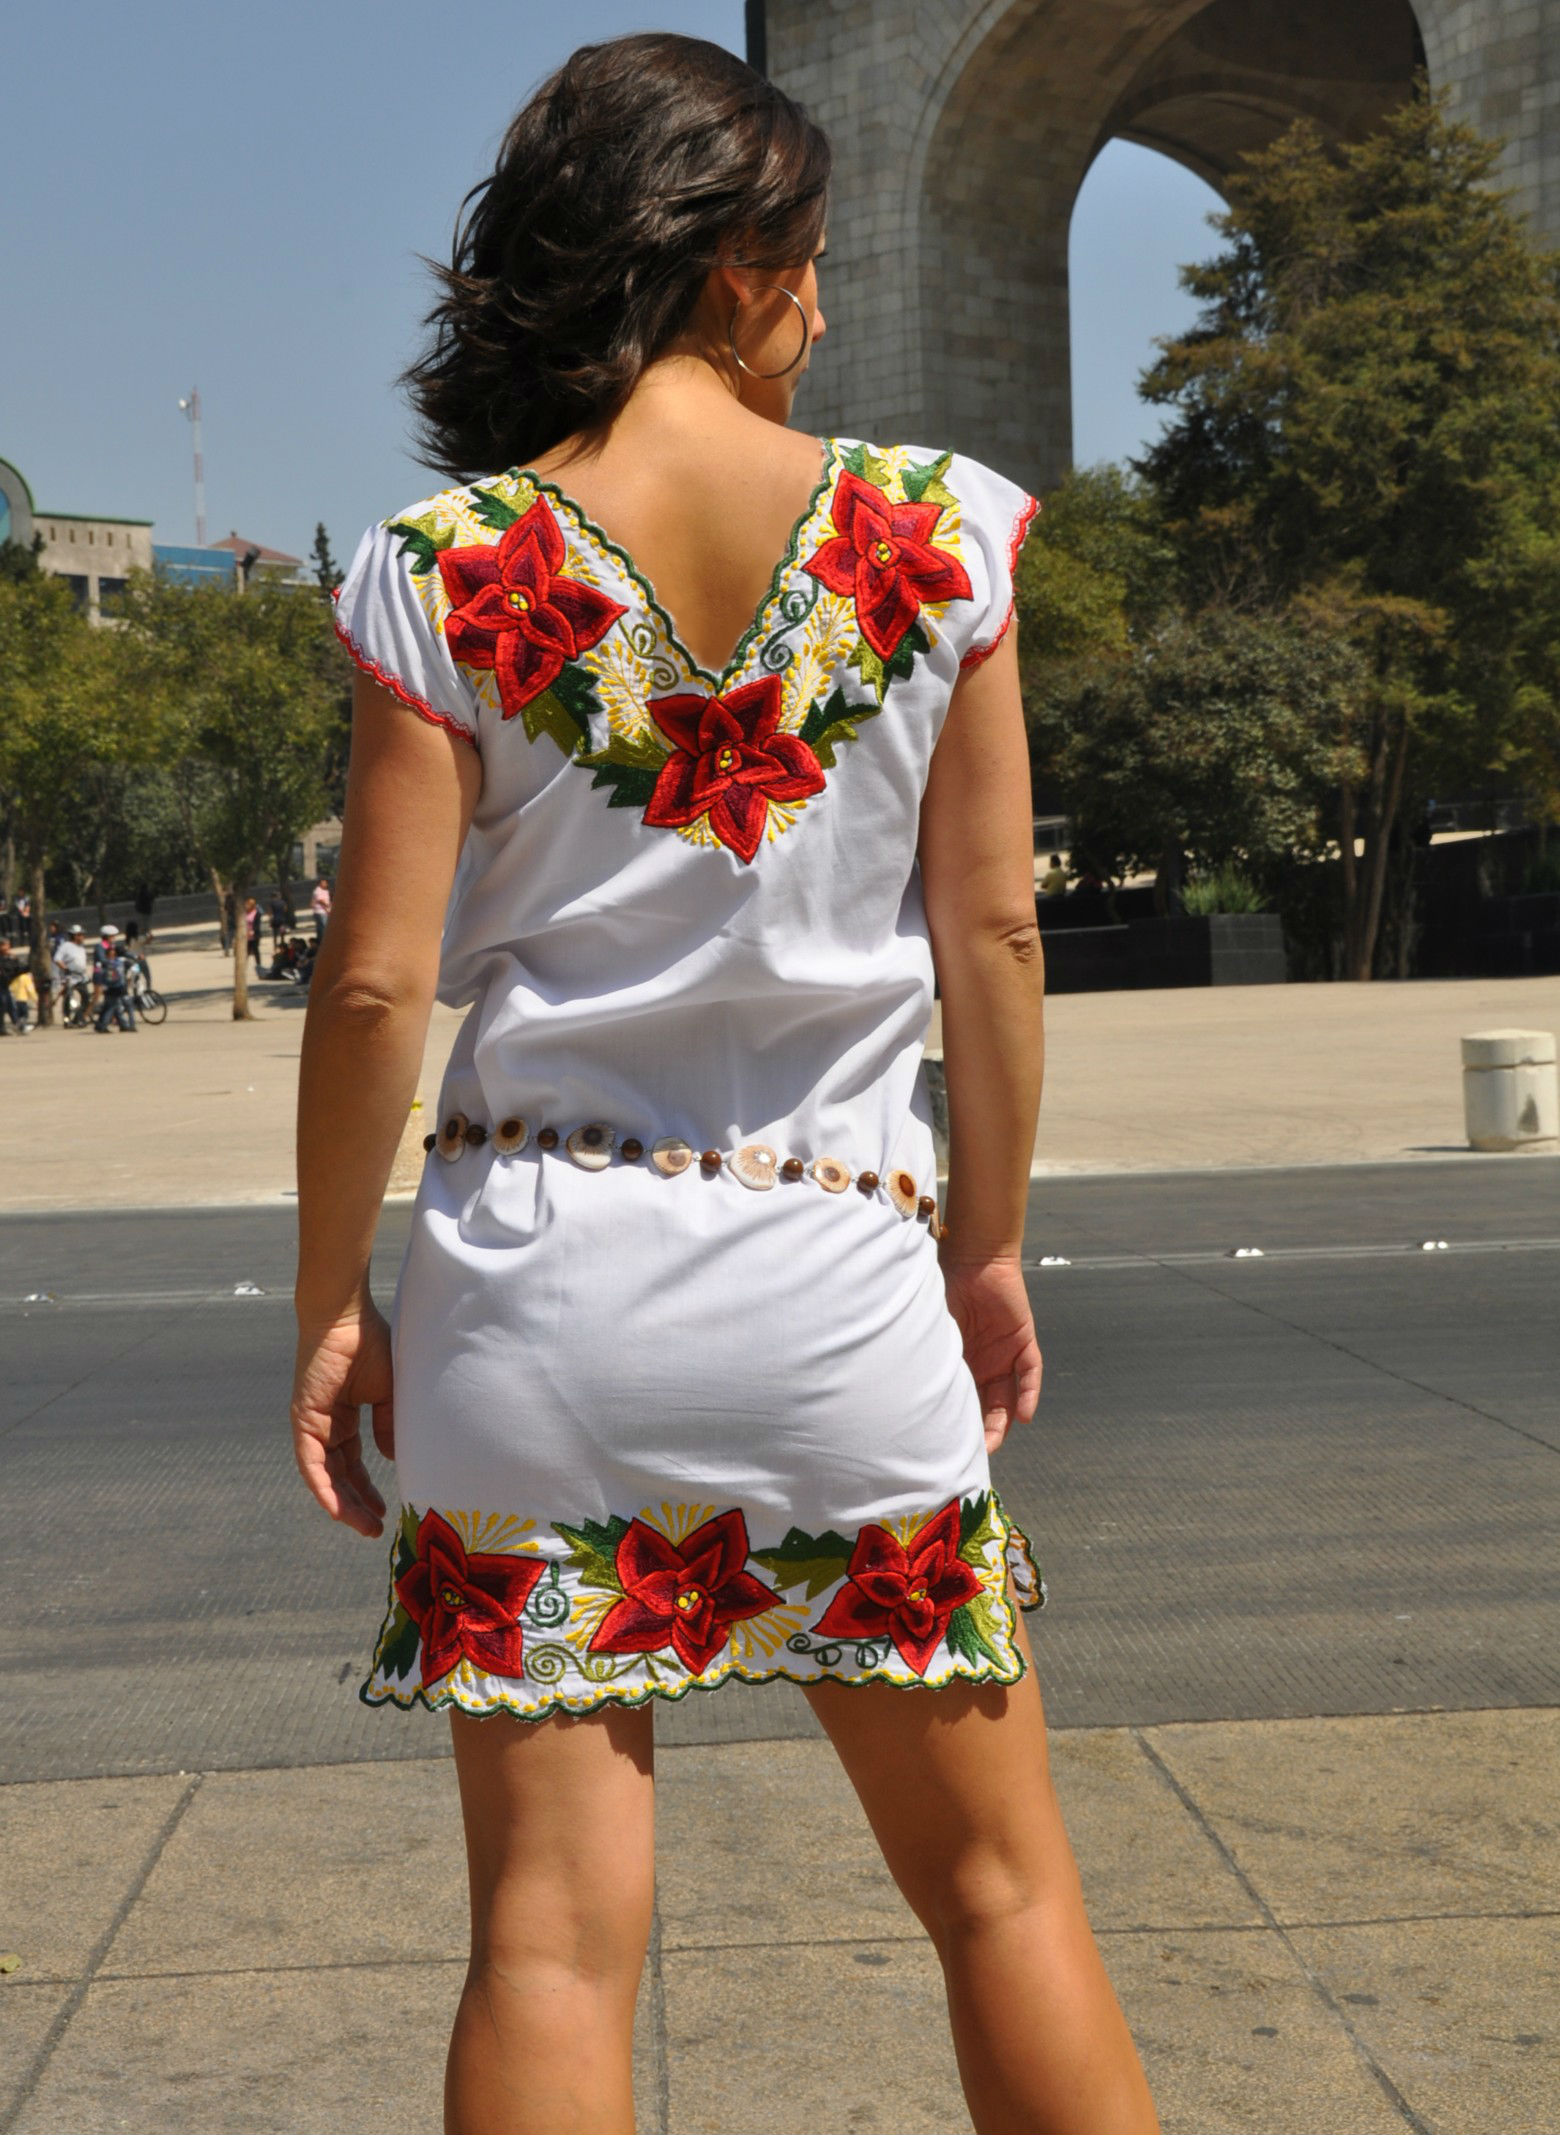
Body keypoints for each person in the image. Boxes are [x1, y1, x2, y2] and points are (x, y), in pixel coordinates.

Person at [292, 35, 1157, 2135]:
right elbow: (995, 939)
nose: (825, 314)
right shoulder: (940, 537)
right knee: (999, 1893)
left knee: (549, 1942)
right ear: (731, 262)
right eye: (812, 266)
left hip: (533, 1295)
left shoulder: (447, 565)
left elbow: (378, 978)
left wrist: (332, 1296)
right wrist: (990, 1241)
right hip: (840, 1278)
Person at [94, 935, 136, 1032]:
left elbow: (99, 974)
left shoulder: (104, 963)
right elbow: (133, 966)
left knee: (113, 1007)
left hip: (110, 989)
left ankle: (124, 1025)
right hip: (118, 988)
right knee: (114, 1008)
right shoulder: (119, 962)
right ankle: (103, 1026)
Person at [244, 897, 263, 971]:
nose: (246, 906)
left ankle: (259, 965)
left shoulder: (257, 913)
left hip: (254, 935)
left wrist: (253, 931)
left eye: (248, 905)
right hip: (246, 935)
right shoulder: (245, 913)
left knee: (255, 950)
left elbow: (257, 924)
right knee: (246, 951)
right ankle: (243, 966)